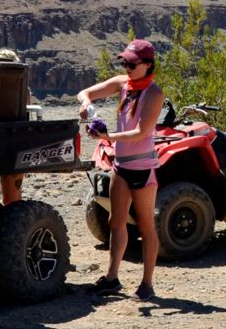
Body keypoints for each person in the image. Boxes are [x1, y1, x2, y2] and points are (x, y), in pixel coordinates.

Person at [76, 39, 164, 300]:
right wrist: (86, 105)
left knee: (146, 226)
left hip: (143, 167)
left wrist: (107, 136)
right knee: (116, 222)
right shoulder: (123, 84)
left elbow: (141, 133)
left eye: (132, 63)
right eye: (124, 62)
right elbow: (85, 92)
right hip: (122, 166)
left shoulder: (154, 94)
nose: (126, 67)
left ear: (147, 65)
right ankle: (112, 278)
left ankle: (147, 283)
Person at [0, 49, 33, 205]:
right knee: (11, 197)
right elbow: (27, 108)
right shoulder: (21, 86)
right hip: (13, 139)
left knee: (10, 198)